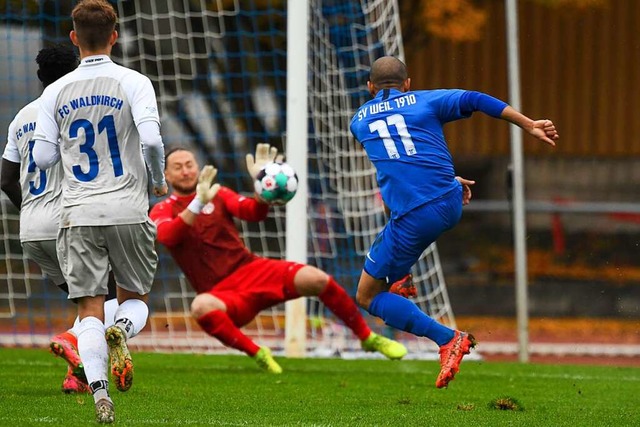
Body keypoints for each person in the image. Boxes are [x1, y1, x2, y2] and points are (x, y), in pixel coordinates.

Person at [349, 56, 559, 388]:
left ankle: (448, 339)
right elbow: (475, 99)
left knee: (366, 296)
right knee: (392, 268)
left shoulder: (359, 121)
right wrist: (528, 124)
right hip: (450, 198)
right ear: (407, 83)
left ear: (370, 87)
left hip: (418, 213)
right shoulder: (425, 100)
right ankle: (401, 276)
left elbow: (395, 168)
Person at [149, 145, 408, 373]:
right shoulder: (163, 208)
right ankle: (258, 353)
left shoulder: (219, 193)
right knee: (200, 306)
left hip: (251, 269)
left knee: (315, 277)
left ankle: (367, 337)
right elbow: (168, 236)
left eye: (189, 164)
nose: (185, 171)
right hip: (221, 294)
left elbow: (253, 213)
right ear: (167, 175)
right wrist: (196, 203)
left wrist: (262, 188)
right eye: (177, 167)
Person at [32, 0, 167, 423]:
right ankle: (122, 332)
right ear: (115, 35)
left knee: (88, 308)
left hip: (78, 212)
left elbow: (42, 158)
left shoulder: (54, 91)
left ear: (74, 39)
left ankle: (99, 396)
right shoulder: (134, 81)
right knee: (135, 299)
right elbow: (149, 141)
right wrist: (157, 179)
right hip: (128, 207)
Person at [0, 44, 120, 395]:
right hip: (68, 221)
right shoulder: (70, 109)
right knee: (109, 297)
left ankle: (76, 376)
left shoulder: (21, 117)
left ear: (39, 77)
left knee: (87, 301)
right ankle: (69, 339)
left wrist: (32, 211)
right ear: (76, 71)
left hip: (31, 229)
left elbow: (6, 179)